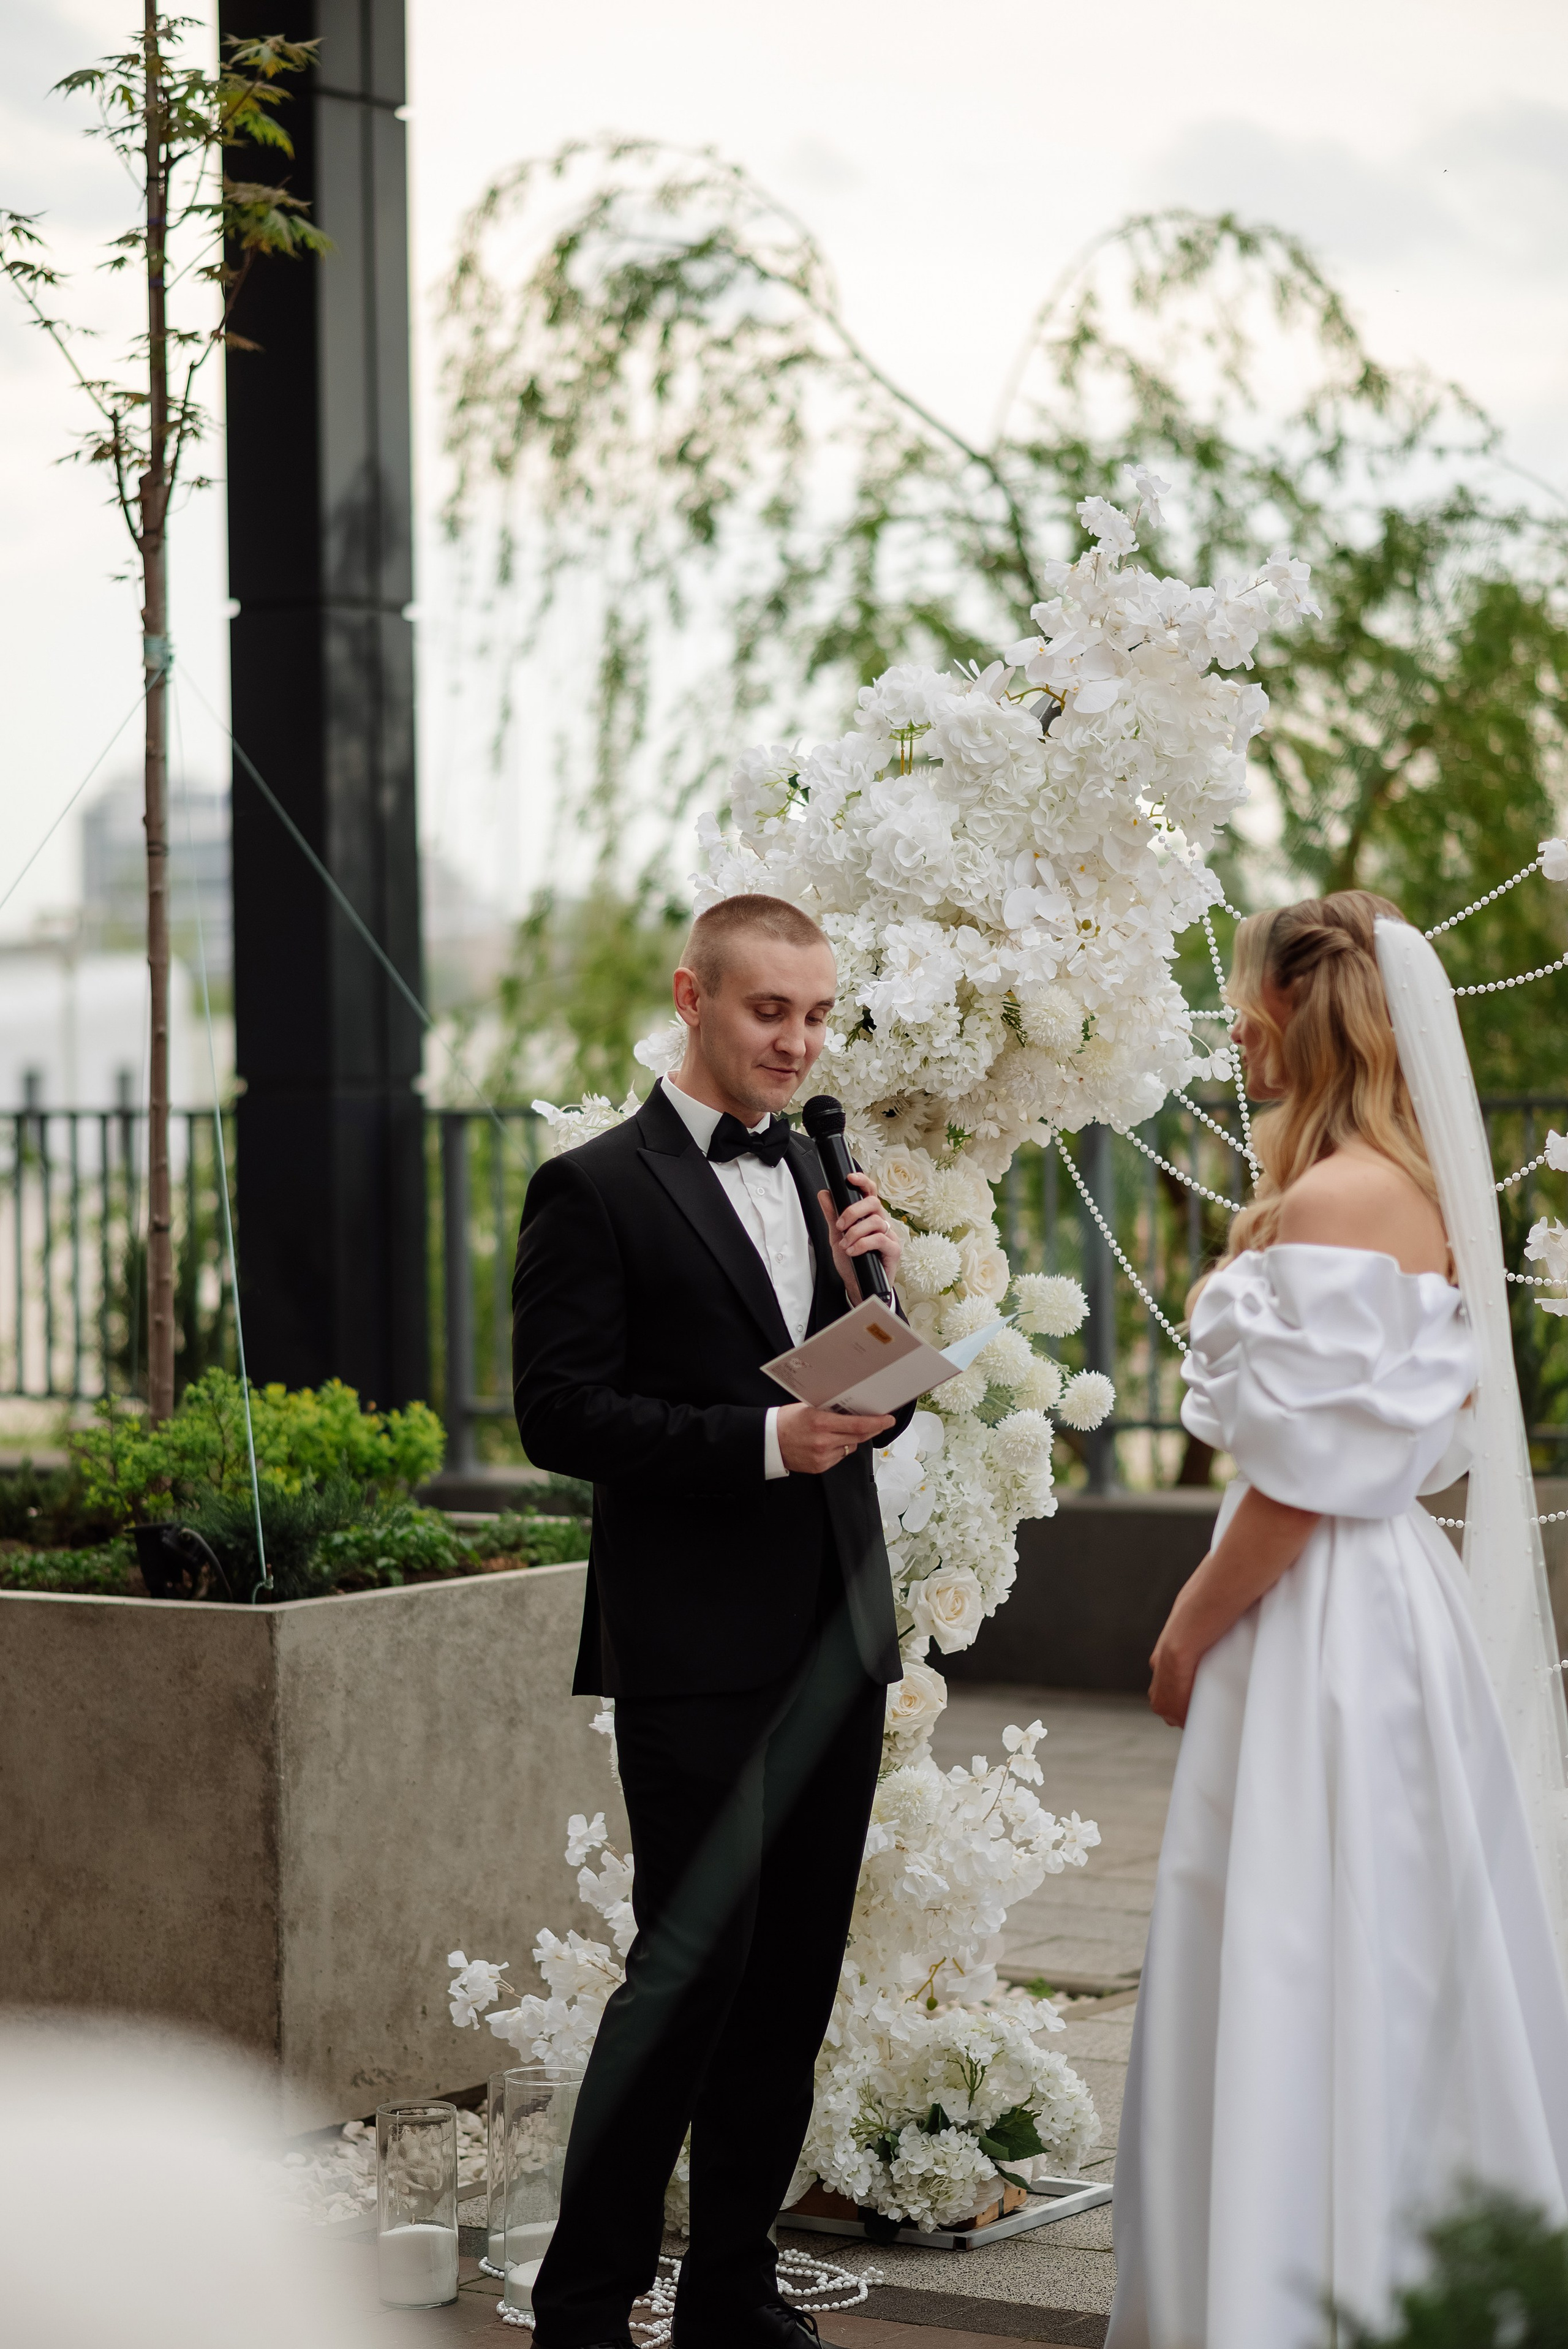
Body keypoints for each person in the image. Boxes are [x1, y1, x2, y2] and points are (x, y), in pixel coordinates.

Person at [1107, 891, 1568, 2349]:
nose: (1229, 1027)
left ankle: (1282, 2282)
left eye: (1245, 999)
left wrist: (1185, 1623)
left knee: (1296, 1929)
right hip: (1395, 1607)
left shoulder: (1325, 1201)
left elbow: (1299, 1479)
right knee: (1394, 1927)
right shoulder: (1422, 1187)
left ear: (1302, 1011)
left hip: (1321, 1617)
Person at [511, 892, 911, 2349]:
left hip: (834, 1631)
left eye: (815, 1015)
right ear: (693, 995)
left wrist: (881, 1284)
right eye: (769, 1012)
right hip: (691, 1642)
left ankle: (731, 2285)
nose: (797, 1042)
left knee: (794, 1973)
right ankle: (583, 2302)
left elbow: (865, 1392)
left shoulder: (819, 1164)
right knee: (686, 1971)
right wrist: (759, 1443)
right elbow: (556, 1412)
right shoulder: (594, 1187)